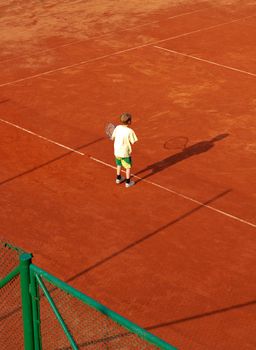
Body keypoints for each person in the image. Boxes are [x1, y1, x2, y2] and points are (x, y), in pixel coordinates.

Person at [111, 113, 138, 188]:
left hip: (117, 151)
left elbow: (112, 137)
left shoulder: (117, 127)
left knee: (118, 164)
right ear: (129, 121)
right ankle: (128, 182)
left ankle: (118, 178)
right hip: (125, 153)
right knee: (128, 167)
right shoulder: (130, 131)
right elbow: (134, 141)